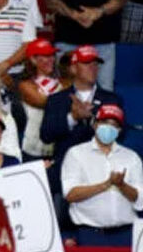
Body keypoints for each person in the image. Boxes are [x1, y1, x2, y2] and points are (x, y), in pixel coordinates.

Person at [61, 104, 143, 246]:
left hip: (125, 235)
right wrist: (106, 184)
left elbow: (141, 200)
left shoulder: (131, 157)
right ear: (95, 125)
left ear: (119, 130)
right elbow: (70, 194)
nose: (109, 128)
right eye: (104, 123)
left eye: (114, 125)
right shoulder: (76, 154)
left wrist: (122, 185)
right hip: (90, 235)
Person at [41, 45, 124, 189]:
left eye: (96, 64)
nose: (93, 67)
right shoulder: (57, 99)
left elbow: (122, 135)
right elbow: (46, 134)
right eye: (86, 63)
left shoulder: (112, 99)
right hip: (65, 172)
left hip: (101, 170)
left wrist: (93, 121)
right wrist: (72, 117)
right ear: (73, 68)